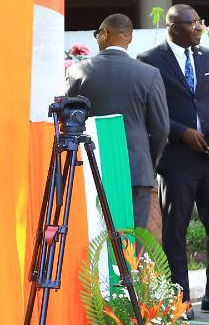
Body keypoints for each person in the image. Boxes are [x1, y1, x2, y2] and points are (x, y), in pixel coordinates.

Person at [140, 4, 209, 315]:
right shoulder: (149, 61)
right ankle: (179, 300)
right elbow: (151, 112)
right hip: (176, 161)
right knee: (176, 231)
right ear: (174, 27)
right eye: (193, 23)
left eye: (201, 22)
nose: (200, 28)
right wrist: (182, 133)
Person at [66, 13, 169, 229]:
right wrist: (146, 160)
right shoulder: (149, 74)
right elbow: (161, 128)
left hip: (92, 169)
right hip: (136, 170)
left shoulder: (77, 72)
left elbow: (68, 121)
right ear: (129, 38)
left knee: (94, 239)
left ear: (103, 34)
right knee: (132, 243)